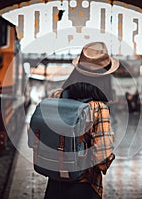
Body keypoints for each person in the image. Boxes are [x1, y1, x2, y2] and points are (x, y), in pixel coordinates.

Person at [44, 42, 118, 199]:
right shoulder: (98, 108)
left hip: (55, 184)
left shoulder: (56, 96)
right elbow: (102, 156)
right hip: (84, 185)